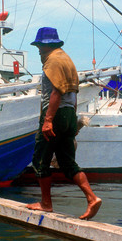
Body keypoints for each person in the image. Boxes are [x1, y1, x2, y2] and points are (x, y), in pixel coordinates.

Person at [27, 27, 102, 220]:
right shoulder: (67, 60)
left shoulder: (53, 60)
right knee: (68, 162)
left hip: (56, 113)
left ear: (46, 45)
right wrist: (71, 122)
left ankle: (45, 204)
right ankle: (92, 198)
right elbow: (73, 94)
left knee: (40, 160)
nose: (39, 51)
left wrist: (48, 120)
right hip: (69, 113)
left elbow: (56, 92)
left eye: (39, 47)